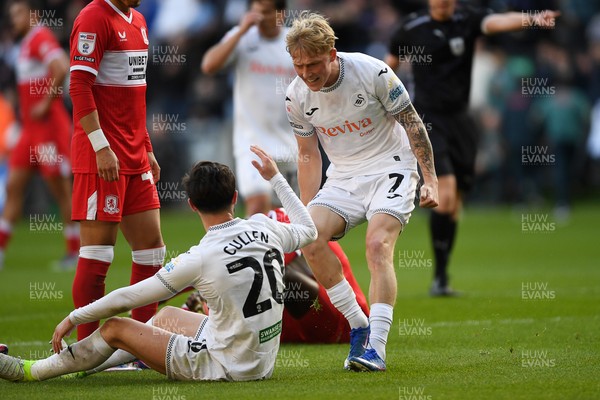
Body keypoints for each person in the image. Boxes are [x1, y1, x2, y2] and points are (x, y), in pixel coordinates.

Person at [0, 145, 317, 382]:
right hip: (263, 359)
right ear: (235, 197)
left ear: (191, 205)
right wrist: (275, 177)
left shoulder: (199, 258)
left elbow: (128, 297)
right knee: (167, 316)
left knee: (113, 327)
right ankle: (79, 366)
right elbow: (309, 229)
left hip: (226, 366)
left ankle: (29, 371)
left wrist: (74, 316)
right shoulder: (265, 226)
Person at [284, 12, 439, 372]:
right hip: (344, 177)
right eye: (299, 65)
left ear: (332, 52)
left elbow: (412, 122)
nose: (307, 73)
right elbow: (307, 155)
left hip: (391, 166)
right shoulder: (295, 96)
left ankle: (377, 348)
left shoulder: (373, 72)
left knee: (376, 245)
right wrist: (306, 209)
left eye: (314, 64)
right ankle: (359, 325)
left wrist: (429, 178)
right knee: (312, 239)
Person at [385, 0, 560, 296]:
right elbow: (387, 68)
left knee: (456, 202)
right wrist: (383, 104)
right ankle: (439, 278)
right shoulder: (410, 28)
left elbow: (497, 22)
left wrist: (533, 19)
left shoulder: (467, 19)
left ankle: (442, 276)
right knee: (447, 193)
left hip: (462, 120)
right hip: (429, 118)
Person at [68, 0, 167, 340]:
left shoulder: (138, 19)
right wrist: (101, 147)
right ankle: (85, 350)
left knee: (153, 251)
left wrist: (147, 147)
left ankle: (137, 344)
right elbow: (79, 87)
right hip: (102, 157)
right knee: (98, 255)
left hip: (135, 153)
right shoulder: (93, 17)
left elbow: (134, 93)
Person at [183, 207, 370, 344]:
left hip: (342, 320)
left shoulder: (282, 220)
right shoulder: (251, 231)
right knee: (247, 278)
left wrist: (192, 280)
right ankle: (208, 311)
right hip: (291, 328)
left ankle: (208, 308)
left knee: (274, 272)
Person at [0, 0, 79, 270]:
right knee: (13, 187)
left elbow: (61, 66)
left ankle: (74, 251)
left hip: (46, 132)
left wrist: (46, 102)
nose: (14, 19)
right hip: (30, 132)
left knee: (60, 191)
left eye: (18, 13)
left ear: (33, 14)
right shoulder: (26, 43)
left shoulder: (40, 37)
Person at [201, 0, 298, 216]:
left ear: (280, 14)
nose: (258, 17)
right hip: (252, 142)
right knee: (257, 207)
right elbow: (209, 65)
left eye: (264, 12)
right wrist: (241, 31)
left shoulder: (294, 42)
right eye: (254, 12)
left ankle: (285, 251)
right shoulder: (242, 37)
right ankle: (256, 248)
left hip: (290, 142)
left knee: (288, 217)